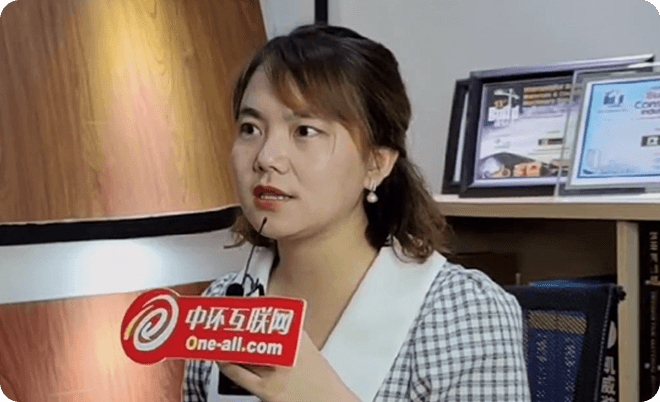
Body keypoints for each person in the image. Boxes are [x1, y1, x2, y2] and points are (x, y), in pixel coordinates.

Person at [181, 23, 531, 402]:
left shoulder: (464, 314)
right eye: (250, 128)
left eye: (304, 131)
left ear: (377, 163)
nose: (266, 157)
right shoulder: (219, 306)